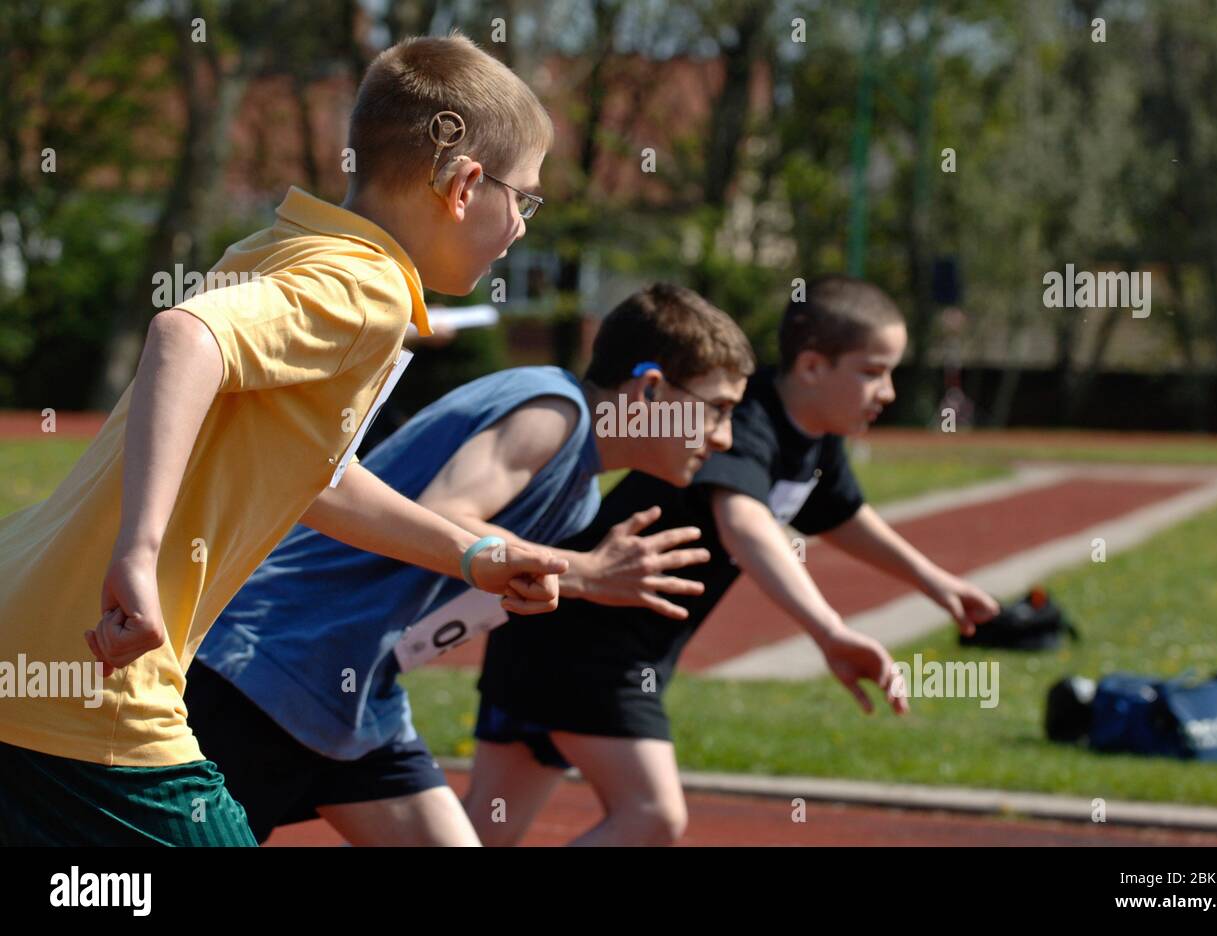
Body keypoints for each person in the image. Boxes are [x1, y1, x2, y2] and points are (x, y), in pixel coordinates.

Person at [0, 33, 564, 846]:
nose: (520, 227)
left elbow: (320, 478)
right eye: (524, 198)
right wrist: (138, 551)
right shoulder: (364, 287)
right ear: (467, 183)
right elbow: (185, 336)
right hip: (100, 686)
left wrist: (471, 557)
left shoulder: (282, 248)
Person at [185, 283, 755, 845]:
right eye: (719, 409)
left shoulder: (580, 490)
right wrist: (585, 574)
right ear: (651, 390)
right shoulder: (552, 411)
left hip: (355, 697)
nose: (726, 438)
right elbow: (448, 515)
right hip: (266, 668)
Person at [465, 275, 1002, 846]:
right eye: (873, 371)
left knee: (483, 832)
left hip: (559, 633)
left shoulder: (811, 438)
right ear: (814, 367)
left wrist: (936, 583)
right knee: (652, 817)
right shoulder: (744, 418)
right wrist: (829, 631)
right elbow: (744, 521)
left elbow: (842, 514)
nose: (888, 392)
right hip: (589, 646)